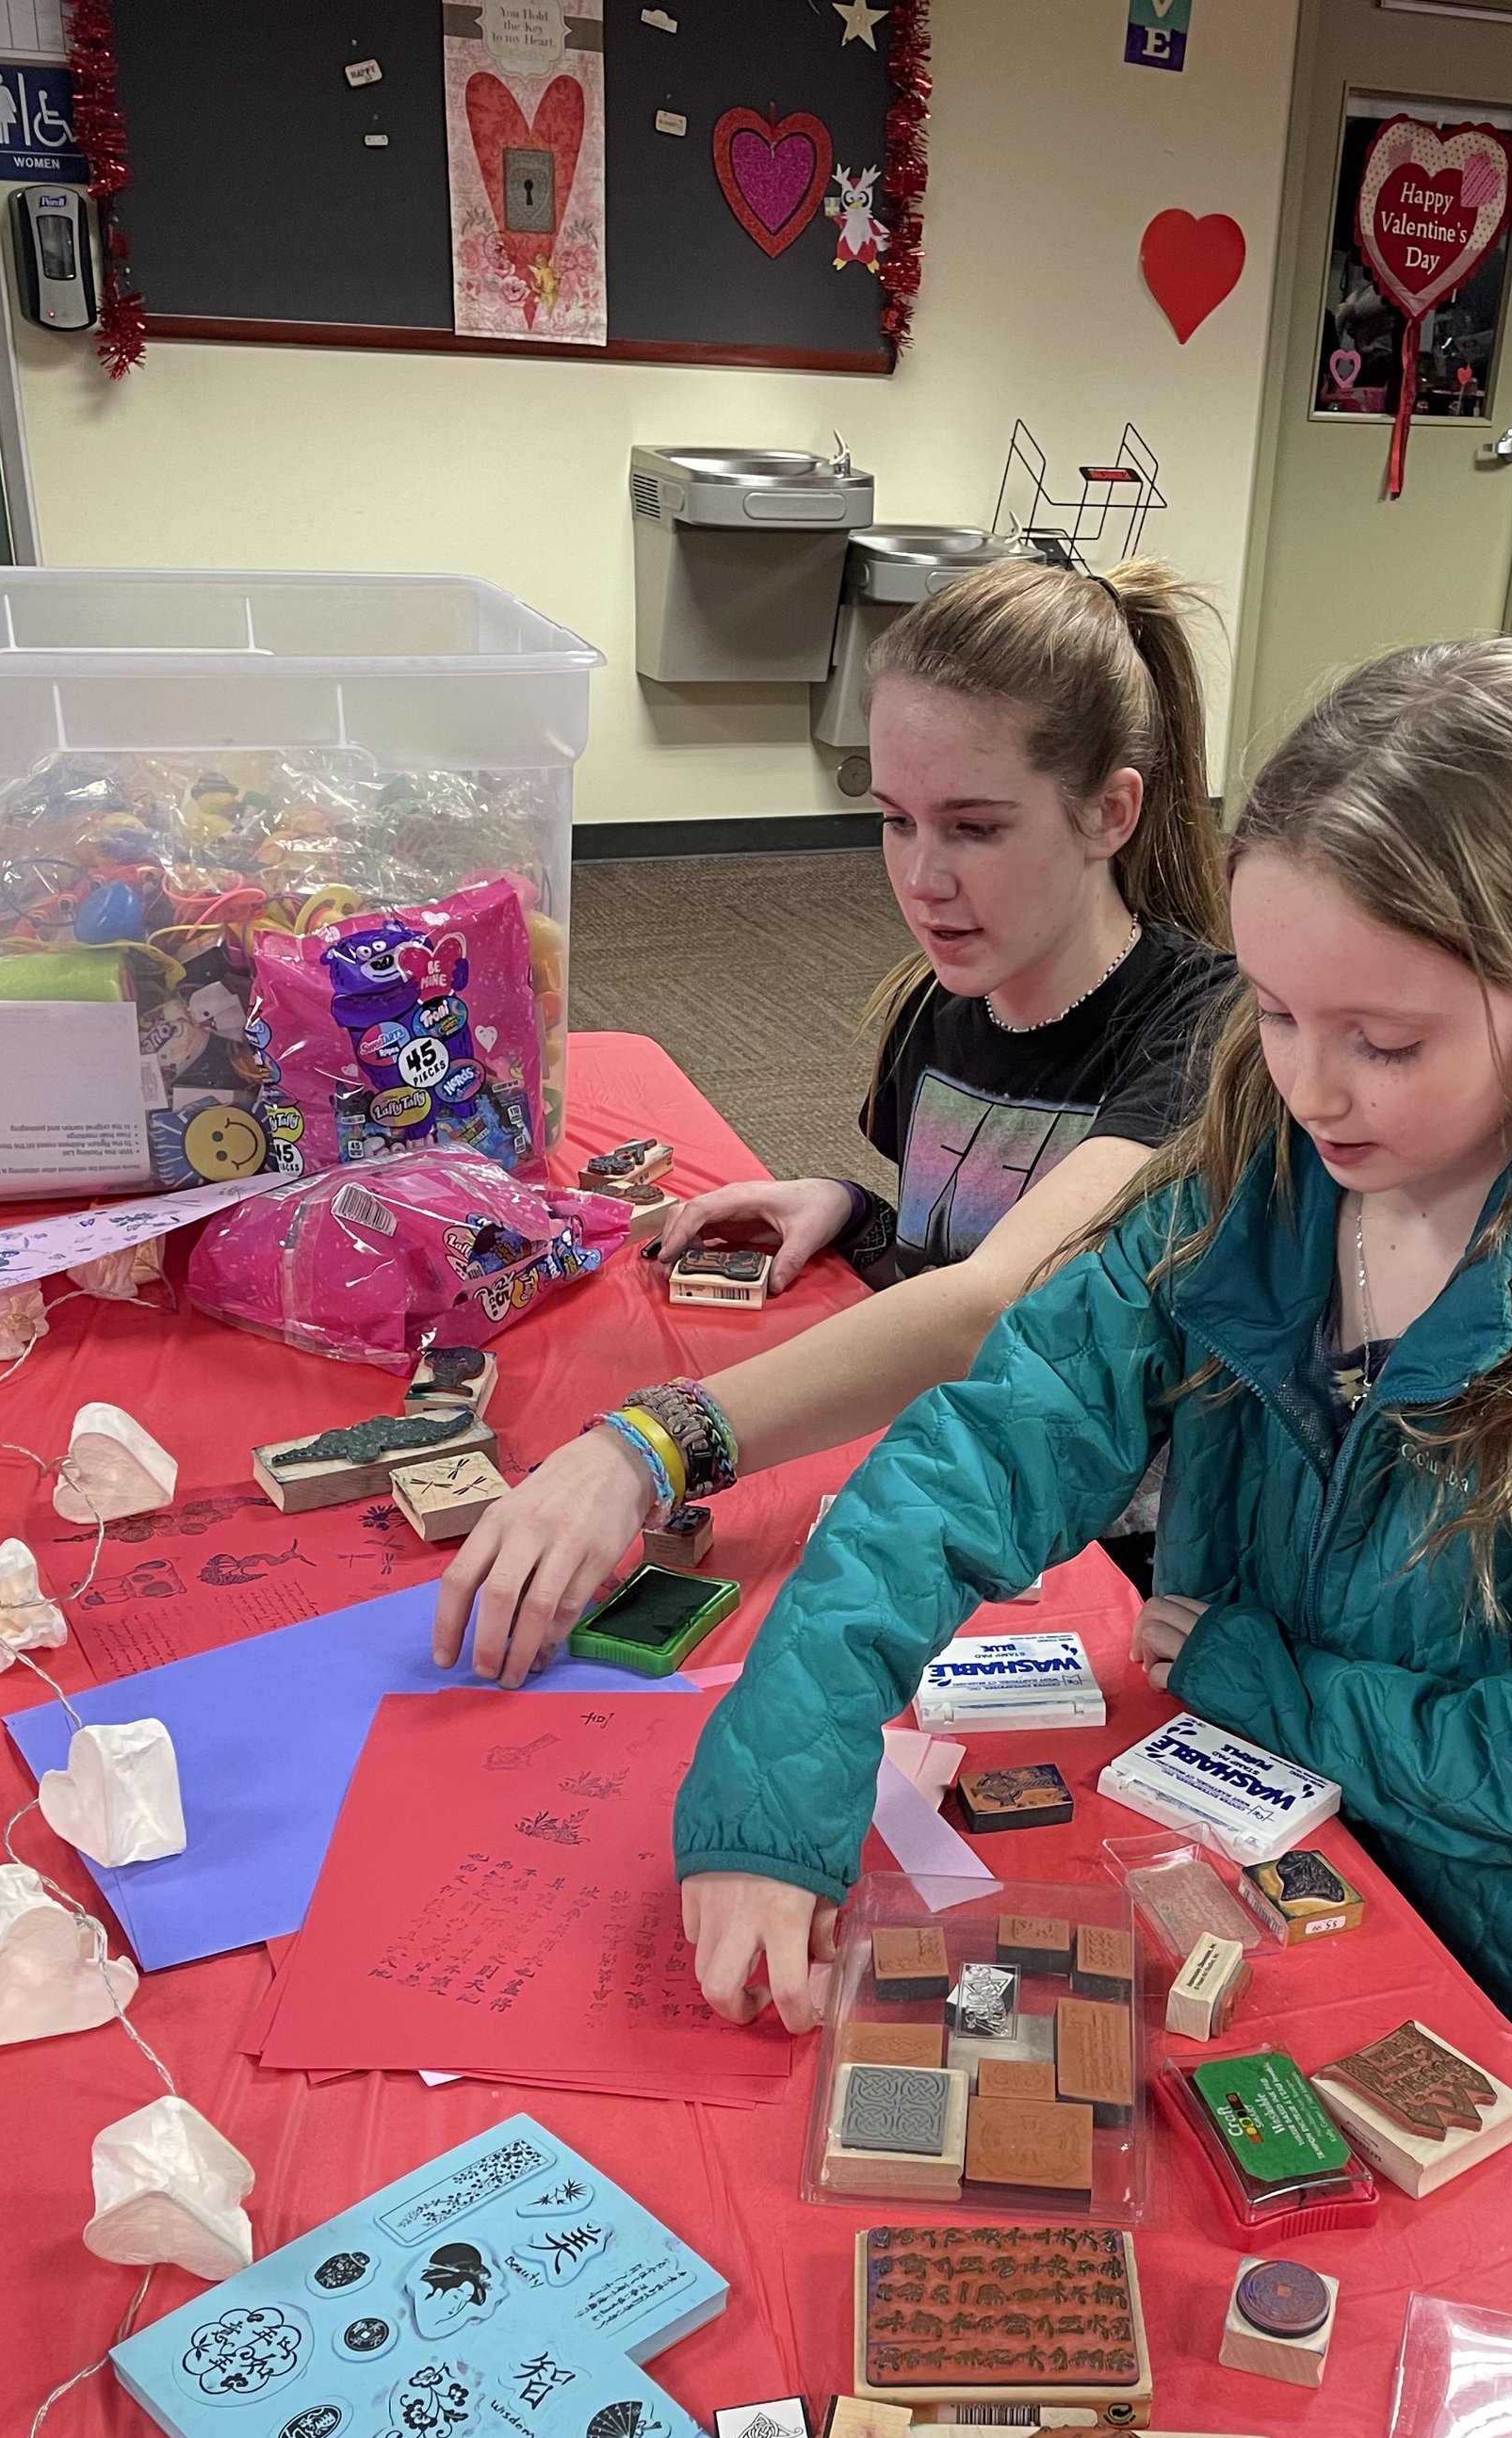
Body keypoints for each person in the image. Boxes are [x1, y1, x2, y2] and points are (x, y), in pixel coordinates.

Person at [669, 638, 1512, 2158]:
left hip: (1503, 1955)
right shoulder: (1246, 1181)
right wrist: (772, 1778)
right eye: (1271, 1010)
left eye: (1382, 1041)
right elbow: (978, 1454)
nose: (1310, 1086)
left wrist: (1260, 1681)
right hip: (1244, 1866)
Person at [433, 557, 1235, 1683]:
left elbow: (1003, 1308)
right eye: (895, 822)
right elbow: (975, 1233)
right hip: (947, 1493)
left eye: (973, 827)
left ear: (1110, 812)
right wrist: (856, 1213)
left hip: (1111, 1576)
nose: (922, 879)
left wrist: (649, 1445)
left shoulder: (1209, 1033)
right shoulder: (938, 1005)